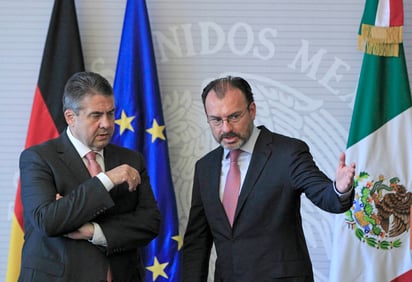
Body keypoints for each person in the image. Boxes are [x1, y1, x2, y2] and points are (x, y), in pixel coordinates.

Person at [182, 76, 356, 282]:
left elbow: (326, 195)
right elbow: (197, 241)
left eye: (234, 116)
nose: (226, 128)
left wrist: (339, 188)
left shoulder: (288, 153)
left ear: (252, 110)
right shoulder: (205, 167)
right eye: (217, 120)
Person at [18, 71, 161, 282]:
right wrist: (107, 180)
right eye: (96, 115)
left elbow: (150, 223)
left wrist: (92, 231)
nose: (106, 123)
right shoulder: (38, 158)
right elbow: (47, 220)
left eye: (111, 113)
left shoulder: (132, 160)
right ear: (70, 117)